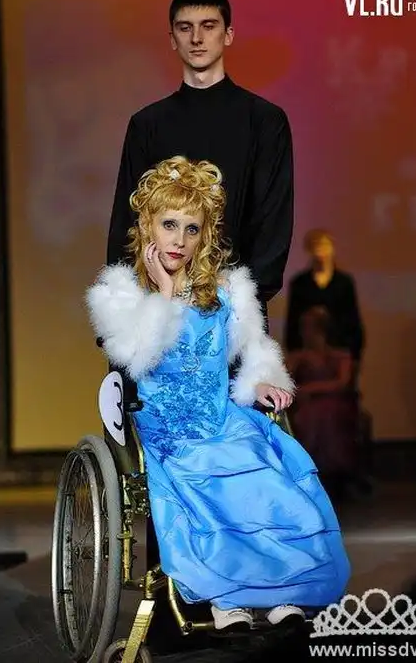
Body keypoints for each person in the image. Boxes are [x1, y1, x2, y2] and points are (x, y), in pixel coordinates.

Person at [87, 157, 350, 632]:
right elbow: (138, 360)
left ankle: (280, 592)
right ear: (148, 225)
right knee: (208, 481)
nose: (178, 240)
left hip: (219, 417)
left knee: (265, 478)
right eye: (169, 225)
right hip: (165, 431)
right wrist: (166, 294)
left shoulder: (227, 291)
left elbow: (254, 347)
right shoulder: (122, 293)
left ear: (203, 235)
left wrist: (262, 379)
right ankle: (227, 598)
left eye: (191, 229)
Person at [107, 0, 294, 308]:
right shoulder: (147, 124)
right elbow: (128, 222)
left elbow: (272, 222)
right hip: (157, 307)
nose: (197, 38)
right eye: (185, 28)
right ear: (172, 39)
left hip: (234, 312)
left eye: (208, 26)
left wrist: (237, 302)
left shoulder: (265, 121)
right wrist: (129, 308)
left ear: (228, 34)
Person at [287, 307, 360, 501]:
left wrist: (311, 388)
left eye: (309, 327)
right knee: (310, 414)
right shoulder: (298, 357)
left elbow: (342, 383)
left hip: (336, 402)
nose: (305, 333)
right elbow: (287, 382)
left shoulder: (341, 355)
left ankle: (336, 474)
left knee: (327, 413)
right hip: (307, 404)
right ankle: (314, 471)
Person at [285, 229, 365, 376]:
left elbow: (352, 320)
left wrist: (354, 355)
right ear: (309, 250)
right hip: (308, 357)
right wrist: (295, 354)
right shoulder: (300, 283)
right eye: (317, 245)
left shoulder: (344, 282)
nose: (321, 250)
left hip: (340, 351)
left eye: (325, 245)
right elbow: (293, 321)